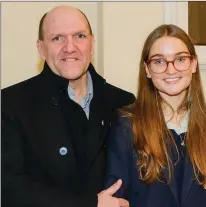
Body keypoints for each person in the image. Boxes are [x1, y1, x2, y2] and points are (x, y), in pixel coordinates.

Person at [1, 5, 135, 207]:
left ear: (92, 44)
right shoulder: (10, 104)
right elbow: (9, 188)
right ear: (40, 48)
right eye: (57, 38)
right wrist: (91, 204)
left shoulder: (122, 102)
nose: (70, 47)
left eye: (80, 36)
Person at [105, 24, 206, 207]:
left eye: (180, 59)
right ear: (147, 69)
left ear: (193, 64)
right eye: (159, 61)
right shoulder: (127, 124)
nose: (171, 69)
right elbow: (116, 196)